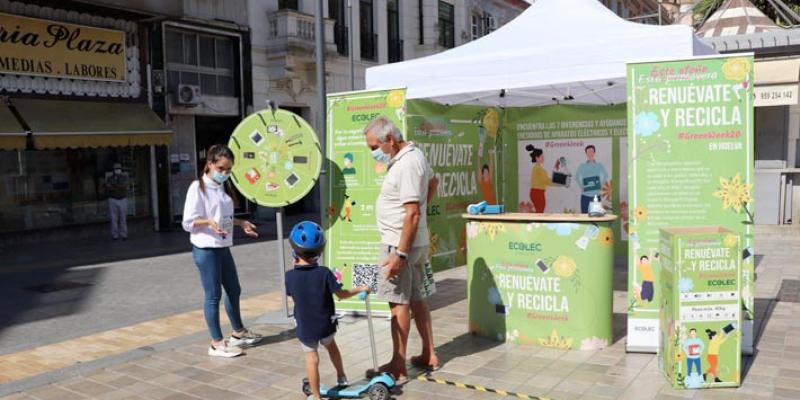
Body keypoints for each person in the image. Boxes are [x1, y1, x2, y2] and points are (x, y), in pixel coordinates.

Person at [364, 116, 439, 381]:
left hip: (399, 244)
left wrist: (400, 254)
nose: (373, 152)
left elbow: (412, 213)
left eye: (374, 146)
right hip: (412, 241)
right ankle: (429, 353)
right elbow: (433, 183)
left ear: (390, 140)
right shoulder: (414, 155)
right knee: (417, 298)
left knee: (398, 304)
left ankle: (398, 365)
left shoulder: (407, 163)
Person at [182, 144, 263, 357]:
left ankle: (238, 332)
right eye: (221, 168)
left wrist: (241, 223)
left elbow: (223, 218)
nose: (225, 173)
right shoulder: (196, 188)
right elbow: (187, 222)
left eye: (228, 170)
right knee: (213, 295)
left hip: (223, 247)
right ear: (210, 164)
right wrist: (207, 222)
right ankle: (216, 343)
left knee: (234, 289)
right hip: (206, 249)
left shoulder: (221, 187)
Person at [285, 221, 370, 400]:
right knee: (332, 347)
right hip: (325, 323)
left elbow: (293, 296)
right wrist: (360, 288)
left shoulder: (289, 276)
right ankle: (341, 376)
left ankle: (316, 396)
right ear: (319, 251)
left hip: (305, 326)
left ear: (294, 250)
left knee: (311, 359)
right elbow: (341, 294)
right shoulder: (324, 273)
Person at [575, 145, 609, 213]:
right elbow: (576, 177)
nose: (590, 154)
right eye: (588, 152)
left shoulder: (599, 165)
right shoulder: (582, 166)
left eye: (592, 152)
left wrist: (600, 185)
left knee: (596, 215)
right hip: (585, 195)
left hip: (596, 195)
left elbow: (605, 175)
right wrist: (582, 186)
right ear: (586, 154)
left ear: (594, 153)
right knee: (584, 216)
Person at [106, 163, 129, 240]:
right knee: (113, 219)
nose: (117, 170)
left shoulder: (124, 177)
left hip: (122, 199)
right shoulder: (110, 178)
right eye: (116, 169)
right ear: (113, 170)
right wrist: (119, 187)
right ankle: (114, 235)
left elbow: (124, 185)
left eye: (118, 168)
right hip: (113, 199)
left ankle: (124, 234)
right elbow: (109, 187)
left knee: (123, 218)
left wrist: (115, 186)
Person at [526, 145, 553, 213]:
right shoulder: (538, 169)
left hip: (538, 192)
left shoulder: (538, 168)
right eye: (541, 156)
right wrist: (559, 182)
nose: (543, 158)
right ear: (537, 158)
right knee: (540, 211)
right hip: (537, 193)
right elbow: (546, 181)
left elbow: (546, 180)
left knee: (540, 211)